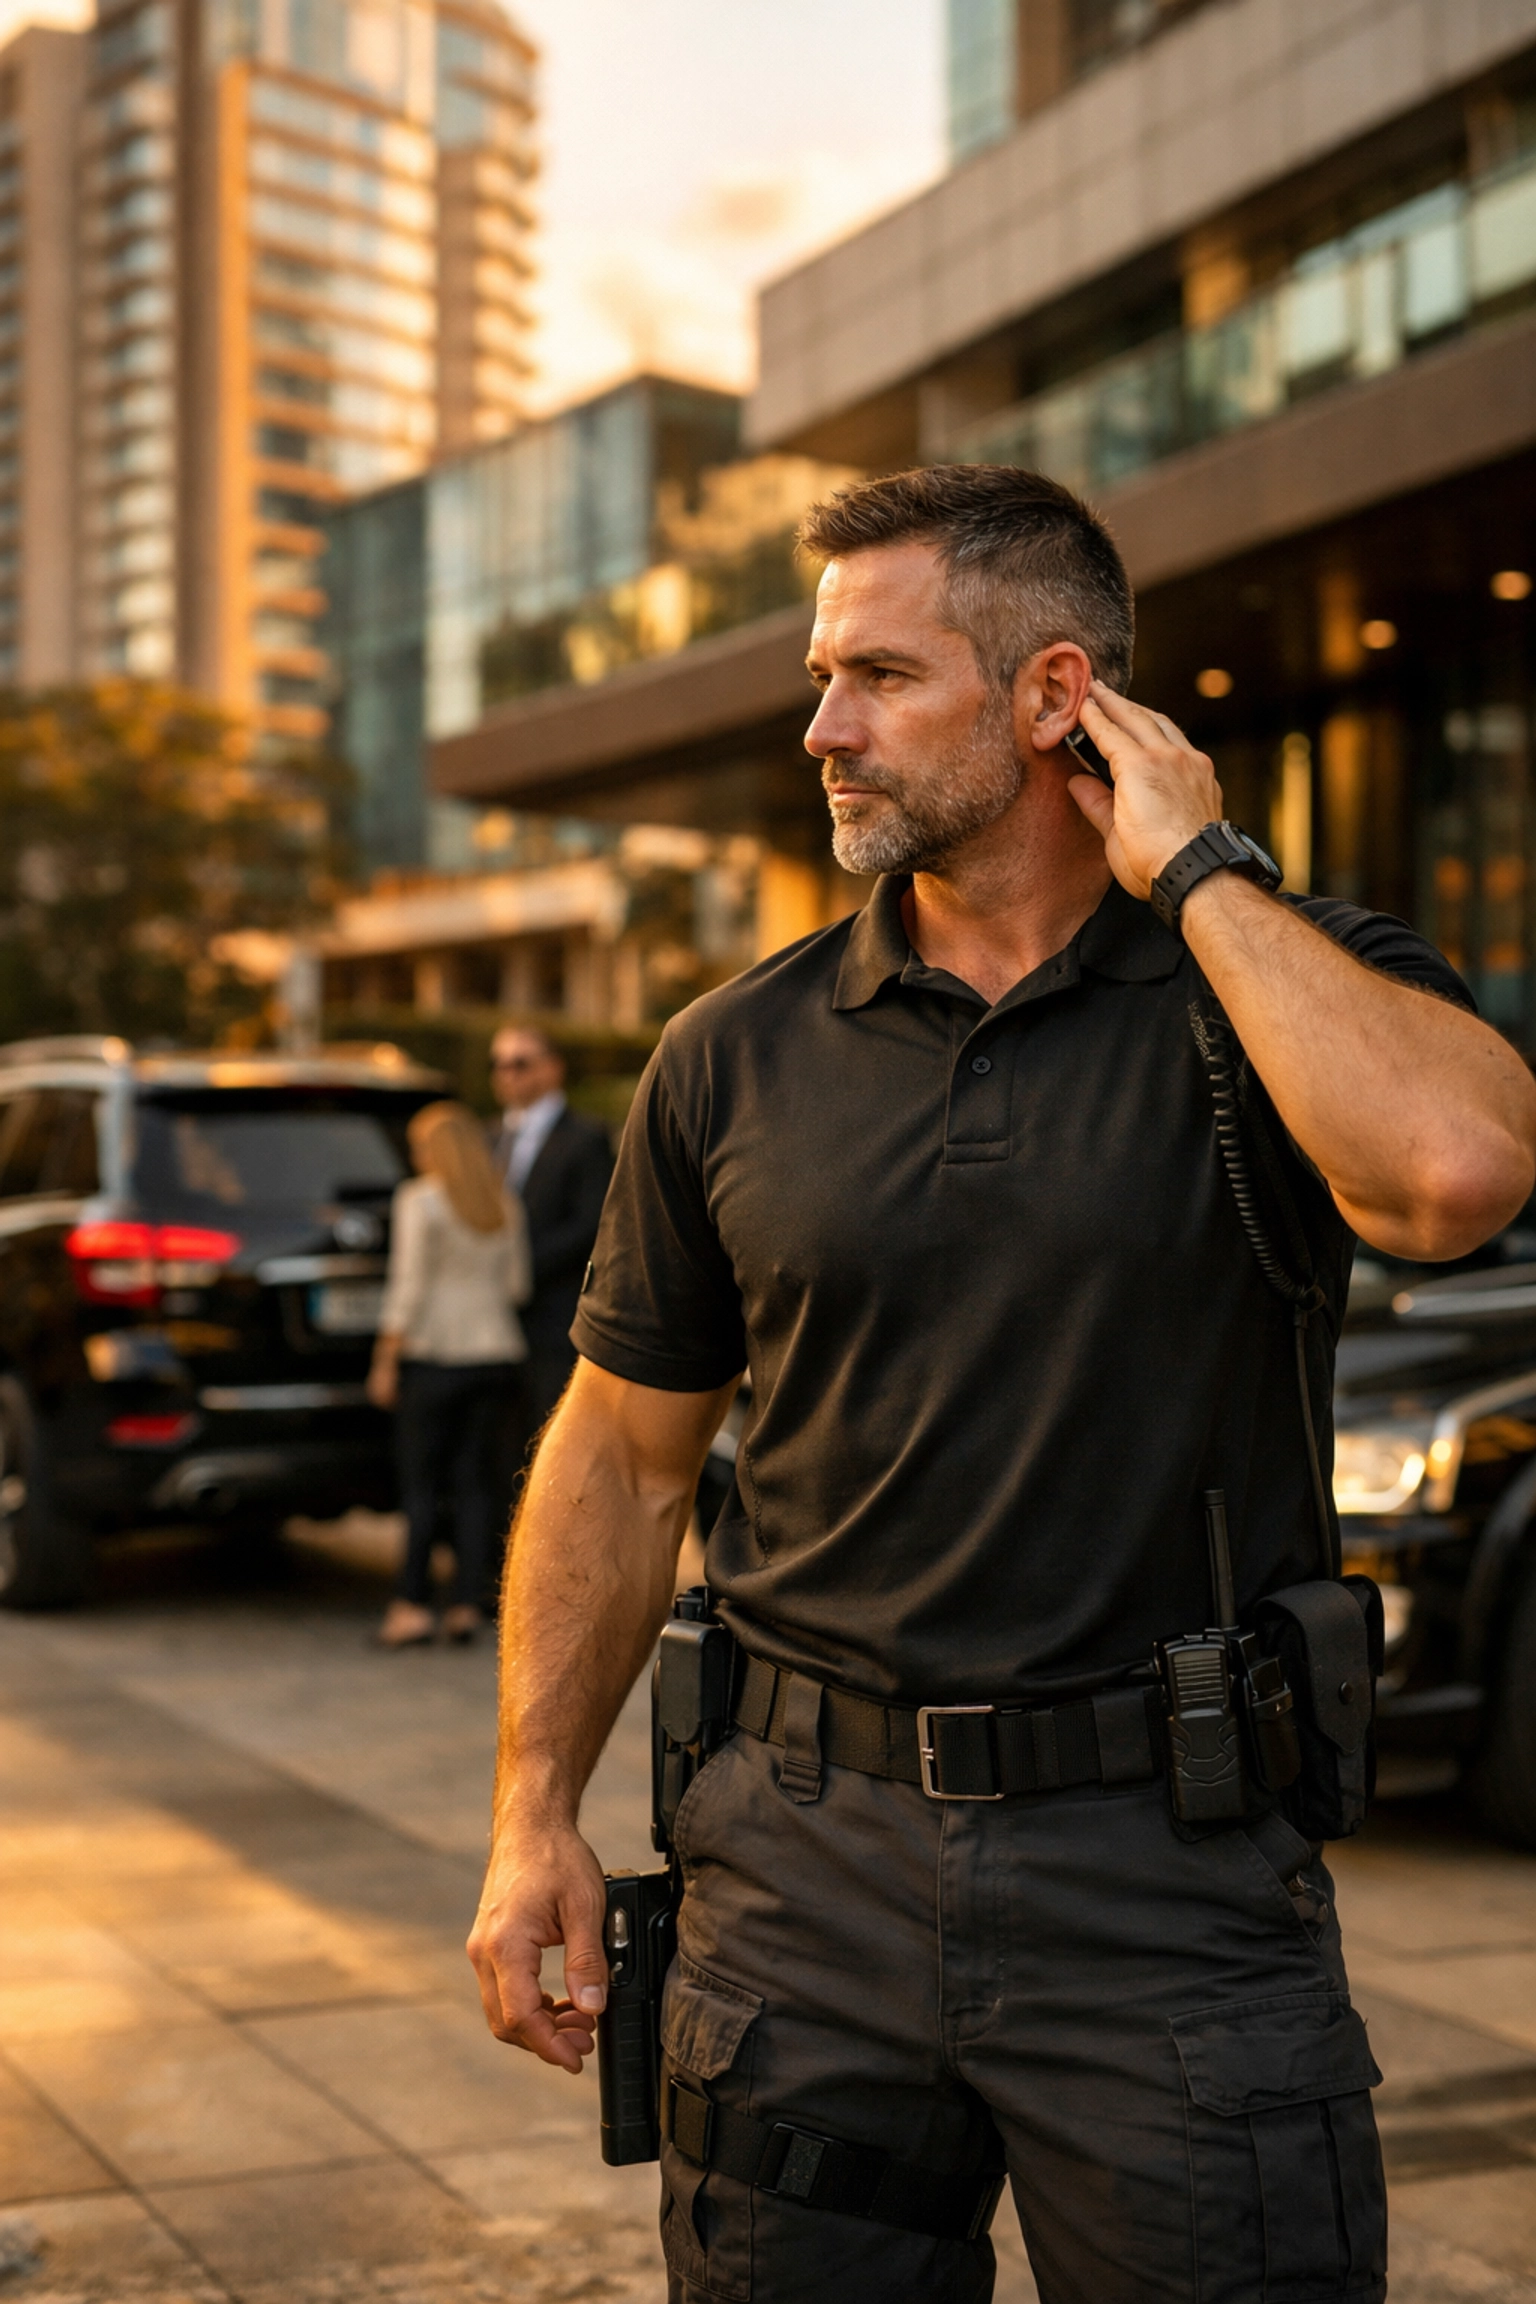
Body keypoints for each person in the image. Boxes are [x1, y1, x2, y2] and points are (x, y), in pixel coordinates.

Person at [465, 467, 1536, 2303]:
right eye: (823, 676)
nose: (823, 728)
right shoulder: (729, 1051)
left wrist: (1196, 870)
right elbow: (623, 1461)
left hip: (1166, 1878)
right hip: (796, 1877)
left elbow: (1449, 1169)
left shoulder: (1272, 987)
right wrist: (529, 1804)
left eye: (880, 675)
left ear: (1055, 698)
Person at [368, 1100, 531, 1649]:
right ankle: (467, 1603)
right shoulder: (503, 1204)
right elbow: (518, 1287)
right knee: (476, 1484)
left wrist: (385, 1357)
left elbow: (407, 1286)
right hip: (496, 1354)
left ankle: (411, 1605)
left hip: (433, 1355)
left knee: (420, 1487)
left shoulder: (419, 1201)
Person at [486, 1026, 613, 1426]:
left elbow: (592, 1224)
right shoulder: (488, 1135)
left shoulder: (585, 1138)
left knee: (548, 1427)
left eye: (520, 1063)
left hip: (554, 1317)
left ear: (553, 1069)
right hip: (489, 1321)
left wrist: (517, 1269)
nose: (508, 1073)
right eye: (498, 1064)